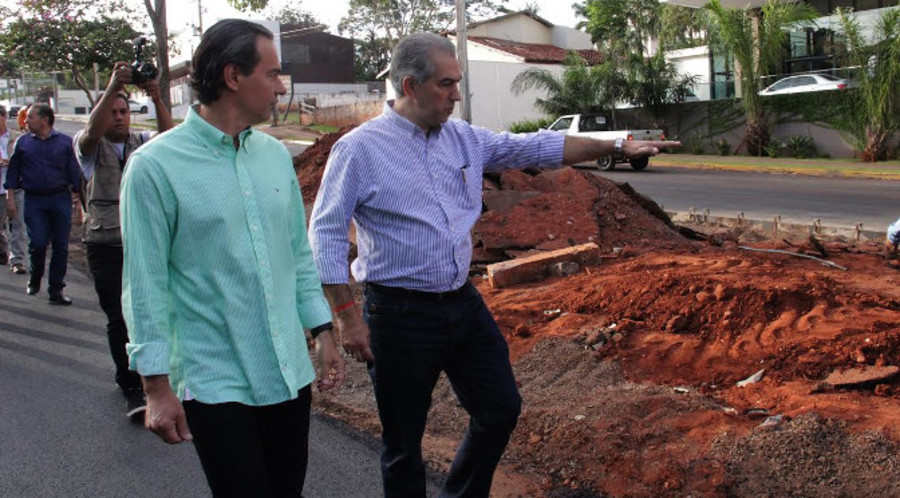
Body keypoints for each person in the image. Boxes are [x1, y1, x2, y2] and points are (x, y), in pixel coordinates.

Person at [309, 32, 677, 497]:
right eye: (446, 84)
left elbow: (541, 147)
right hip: (399, 315)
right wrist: (345, 316)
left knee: (499, 408)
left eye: (457, 82)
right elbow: (324, 232)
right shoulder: (358, 150)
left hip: (462, 304)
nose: (457, 95)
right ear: (409, 85)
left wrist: (616, 146)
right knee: (404, 444)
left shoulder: (464, 139)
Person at [120, 19, 345, 497]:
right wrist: (156, 388)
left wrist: (322, 328)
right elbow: (145, 285)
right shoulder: (154, 168)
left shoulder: (275, 156)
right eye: (272, 73)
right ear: (233, 77)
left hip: (287, 373)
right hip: (214, 379)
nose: (280, 87)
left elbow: (297, 254)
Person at [74, 63, 175, 419]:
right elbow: (90, 133)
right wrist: (114, 82)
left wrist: (156, 95)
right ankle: (131, 386)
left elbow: (170, 139)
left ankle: (162, 378)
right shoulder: (88, 150)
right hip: (105, 245)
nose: (118, 118)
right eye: (112, 112)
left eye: (123, 112)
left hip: (145, 244)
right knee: (119, 318)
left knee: (155, 312)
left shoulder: (142, 144)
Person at [4, 103, 82, 304]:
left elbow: (74, 172)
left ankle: (56, 289)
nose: (26, 121)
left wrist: (79, 200)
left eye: (30, 117)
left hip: (59, 199)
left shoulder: (65, 143)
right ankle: (35, 277)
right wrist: (10, 197)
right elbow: (13, 172)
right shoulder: (23, 143)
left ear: (44, 120)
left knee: (61, 247)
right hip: (35, 200)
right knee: (38, 243)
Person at [0, 106, 28, 274]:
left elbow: (27, 163)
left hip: (15, 189)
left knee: (18, 225)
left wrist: (9, 162)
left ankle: (17, 260)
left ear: (3, 117)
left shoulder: (17, 139)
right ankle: (3, 250)